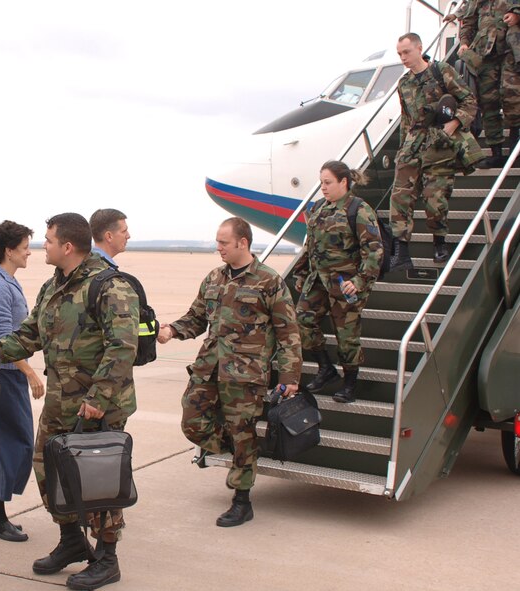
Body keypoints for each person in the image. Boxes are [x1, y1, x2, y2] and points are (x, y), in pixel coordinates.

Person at [0, 213, 138, 591]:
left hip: (97, 408)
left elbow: (123, 346)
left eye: (48, 240)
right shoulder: (51, 287)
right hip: (61, 404)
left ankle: (107, 558)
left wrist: (98, 397)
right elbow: (28, 335)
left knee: (99, 484)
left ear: (68, 246)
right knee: (49, 472)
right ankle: (72, 541)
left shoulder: (110, 286)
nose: (44, 245)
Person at [156, 217, 302, 528]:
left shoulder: (268, 280)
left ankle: (241, 500)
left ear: (243, 243)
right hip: (209, 368)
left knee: (242, 432)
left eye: (223, 242)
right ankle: (240, 451)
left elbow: (288, 332)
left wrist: (290, 379)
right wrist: (172, 331)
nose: (218, 247)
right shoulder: (213, 278)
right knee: (192, 421)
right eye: (217, 241)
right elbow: (196, 317)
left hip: (246, 374)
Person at [0, 220, 45, 542]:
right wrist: (29, 372)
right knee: (16, 444)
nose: (29, 251)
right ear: (9, 251)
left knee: (0, 444)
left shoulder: (6, 282)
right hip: (5, 376)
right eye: (24, 246)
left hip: (6, 374)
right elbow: (3, 339)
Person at [293, 162, 384, 404]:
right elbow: (309, 247)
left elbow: (374, 250)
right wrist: (301, 274)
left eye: (327, 182)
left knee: (347, 337)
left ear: (343, 182)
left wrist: (360, 280)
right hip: (319, 281)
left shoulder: (359, 210)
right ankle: (325, 367)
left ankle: (349, 384)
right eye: (321, 182)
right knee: (302, 318)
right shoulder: (319, 208)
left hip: (346, 284)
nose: (322, 187)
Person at [390, 32, 481, 271]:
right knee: (400, 197)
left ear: (419, 48)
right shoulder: (404, 83)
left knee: (435, 199)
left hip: (439, 144)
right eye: (399, 54)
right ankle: (401, 251)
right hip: (413, 143)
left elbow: (469, 101)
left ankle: (439, 244)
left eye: (406, 52)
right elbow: (406, 118)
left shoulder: (442, 71)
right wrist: (402, 148)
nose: (403, 58)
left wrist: (454, 124)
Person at [458, 1, 520, 168]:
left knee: (512, 98)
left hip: (511, 50)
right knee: (489, 103)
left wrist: (516, 15)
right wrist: (464, 42)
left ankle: (515, 149)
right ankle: (497, 153)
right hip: (485, 54)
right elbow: (469, 20)